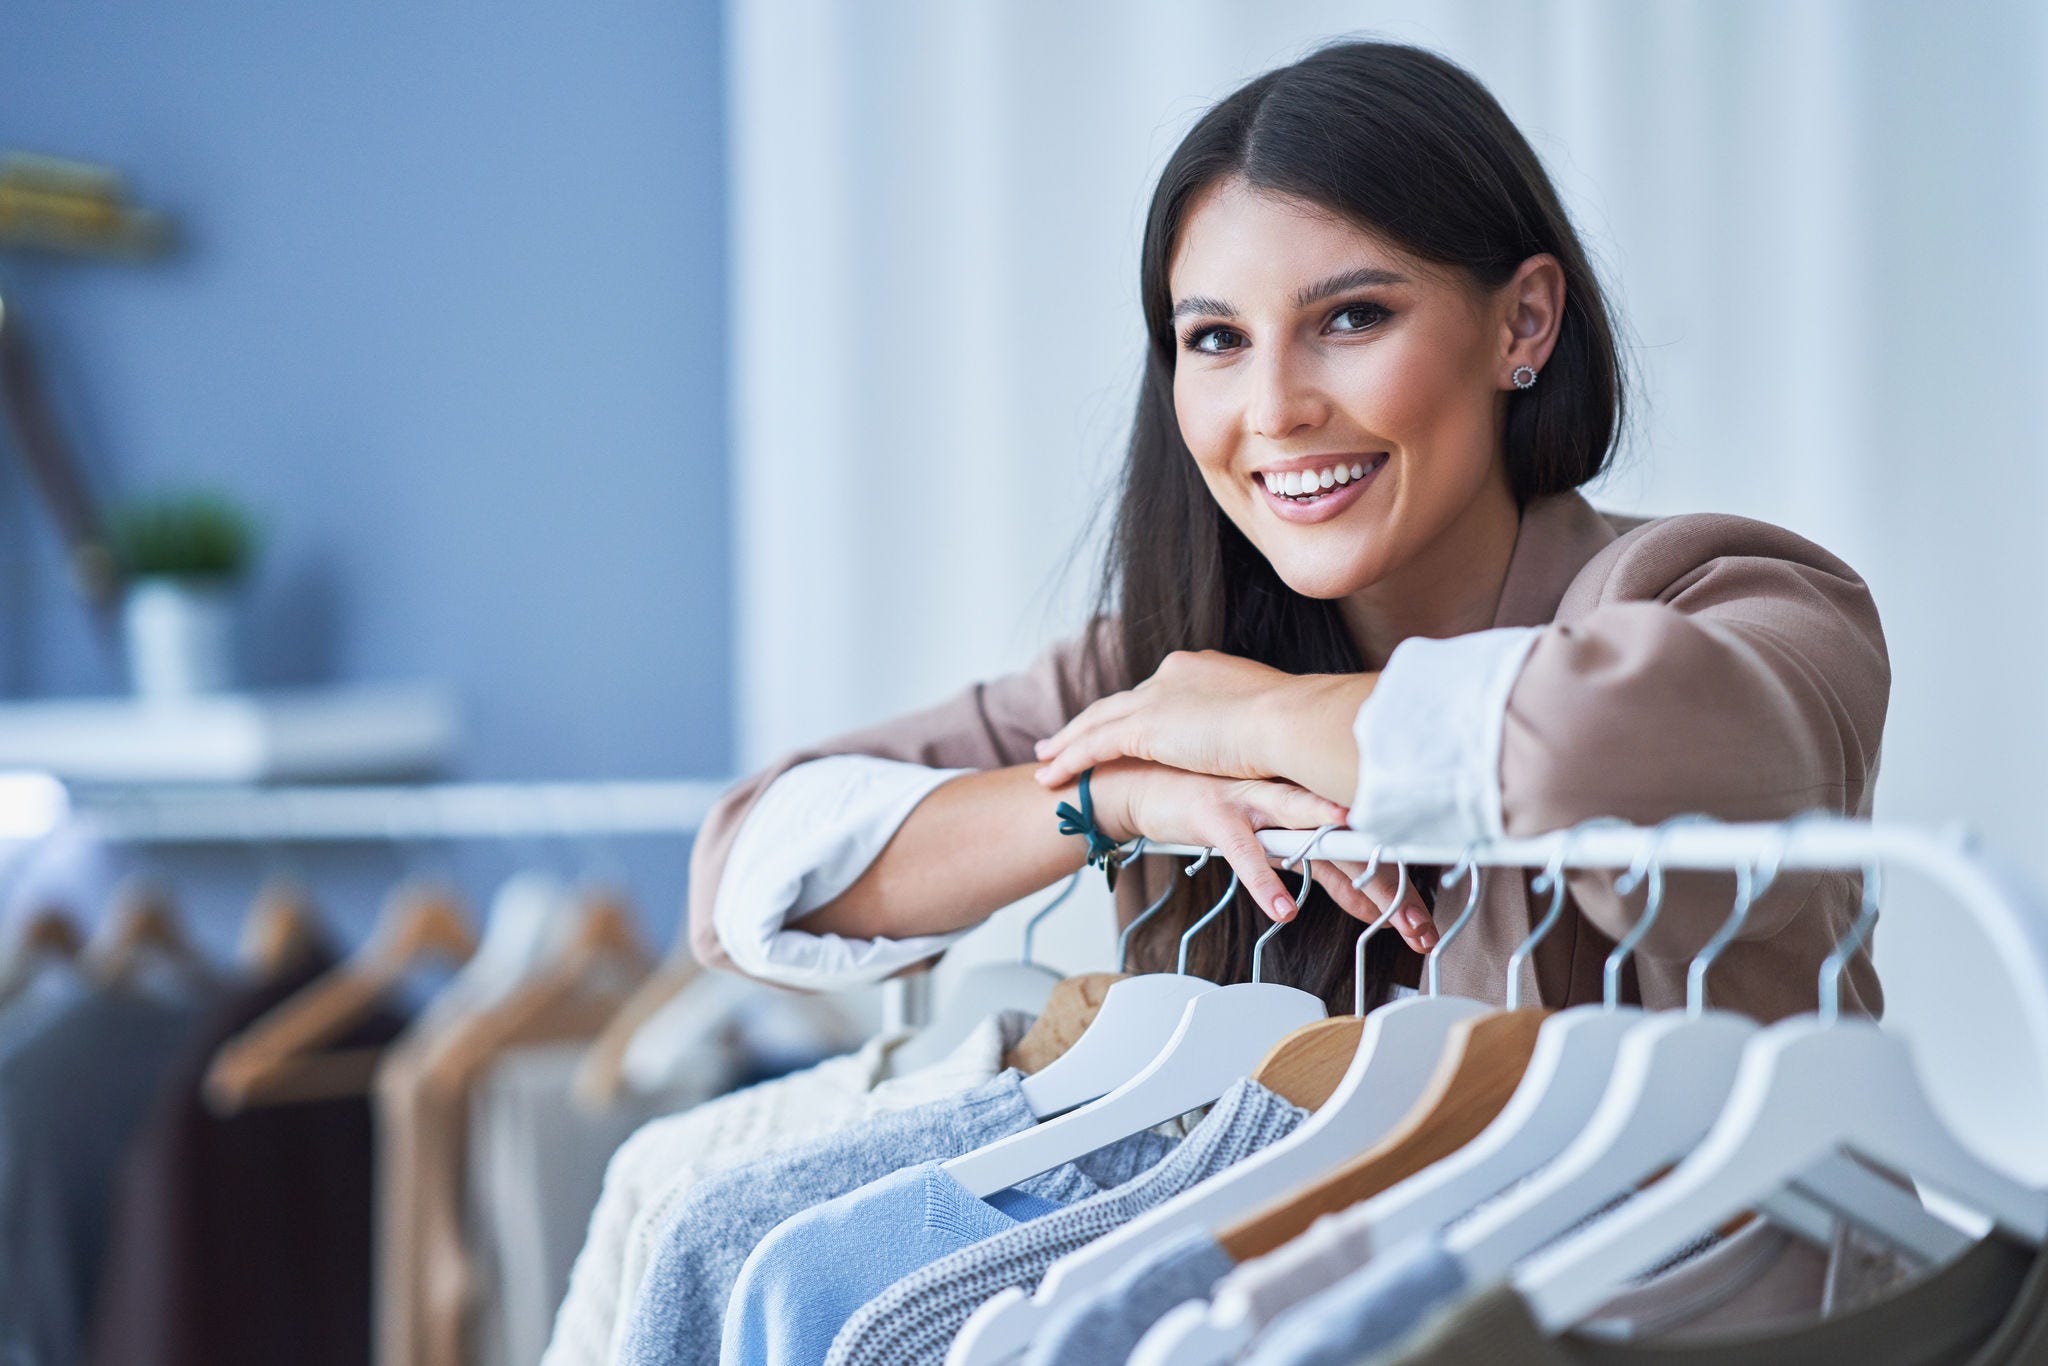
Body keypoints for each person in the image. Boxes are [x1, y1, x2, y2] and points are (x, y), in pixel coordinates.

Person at [688, 41, 1888, 1023]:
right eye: (1214, 339)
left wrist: (1256, 724)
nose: (1272, 410)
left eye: (1351, 317)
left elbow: (1580, 749)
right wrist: (1109, 801)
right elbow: (753, 868)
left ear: (1521, 322)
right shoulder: (1160, 682)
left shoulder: (1740, 596)